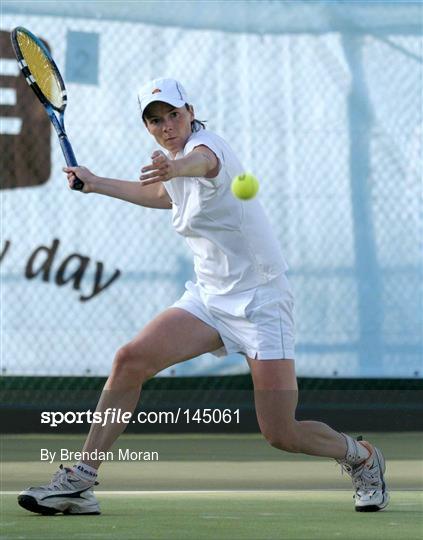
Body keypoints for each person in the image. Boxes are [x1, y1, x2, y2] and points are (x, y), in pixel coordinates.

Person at [17, 78, 389, 515]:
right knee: (130, 359)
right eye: (155, 120)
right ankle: (81, 480)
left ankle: (361, 456)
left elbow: (200, 165)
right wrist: (97, 182)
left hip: (261, 303)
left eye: (173, 115)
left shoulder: (207, 148)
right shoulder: (171, 164)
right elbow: (162, 193)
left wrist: (176, 168)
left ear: (190, 111)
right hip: (209, 300)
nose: (166, 125)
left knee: (280, 432)